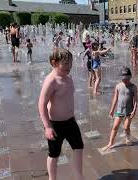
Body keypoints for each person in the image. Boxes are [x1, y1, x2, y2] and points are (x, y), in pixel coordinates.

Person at [38, 48, 84, 180]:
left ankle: (78, 176)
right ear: (54, 62)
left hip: (70, 121)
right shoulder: (51, 81)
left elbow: (68, 98)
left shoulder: (68, 77)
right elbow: (41, 104)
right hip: (55, 125)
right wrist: (47, 127)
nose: (69, 68)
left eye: (70, 65)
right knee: (54, 154)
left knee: (79, 147)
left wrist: (73, 116)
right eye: (65, 66)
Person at [102, 67, 138, 151]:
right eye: (123, 79)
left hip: (129, 111)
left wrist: (134, 110)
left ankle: (127, 138)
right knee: (115, 127)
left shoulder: (133, 87)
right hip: (119, 111)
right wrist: (112, 110)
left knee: (126, 127)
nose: (124, 80)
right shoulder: (118, 86)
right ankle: (110, 143)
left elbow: (136, 100)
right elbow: (115, 98)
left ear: (129, 77)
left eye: (126, 79)